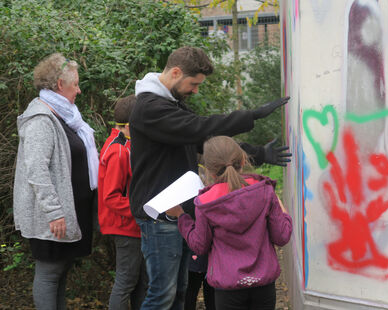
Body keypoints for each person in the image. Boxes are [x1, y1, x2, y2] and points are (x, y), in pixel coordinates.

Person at [129, 46, 290, 309]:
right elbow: (201, 127)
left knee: (180, 292)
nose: (195, 91)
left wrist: (258, 153)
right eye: (193, 84)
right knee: (162, 295)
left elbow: (208, 143)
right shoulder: (149, 109)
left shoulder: (171, 105)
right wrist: (251, 116)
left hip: (179, 213)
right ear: (176, 72)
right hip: (159, 215)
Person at [13, 52, 99, 310]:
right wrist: (54, 212)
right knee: (50, 274)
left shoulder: (65, 116)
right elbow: (37, 170)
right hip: (51, 216)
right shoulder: (41, 119)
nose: (80, 91)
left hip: (67, 213)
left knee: (60, 274)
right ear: (60, 85)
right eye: (76, 84)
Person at [169, 135, 293, 310]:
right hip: (264, 286)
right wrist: (284, 212)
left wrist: (181, 216)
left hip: (227, 289)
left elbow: (200, 245)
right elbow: (282, 236)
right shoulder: (264, 191)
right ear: (243, 160)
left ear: (210, 171)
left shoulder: (206, 202)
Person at [97, 94, 147, 310]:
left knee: (140, 283)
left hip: (133, 225)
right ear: (132, 123)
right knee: (125, 282)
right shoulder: (118, 150)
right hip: (125, 227)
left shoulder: (125, 143)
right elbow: (110, 197)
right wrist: (141, 211)